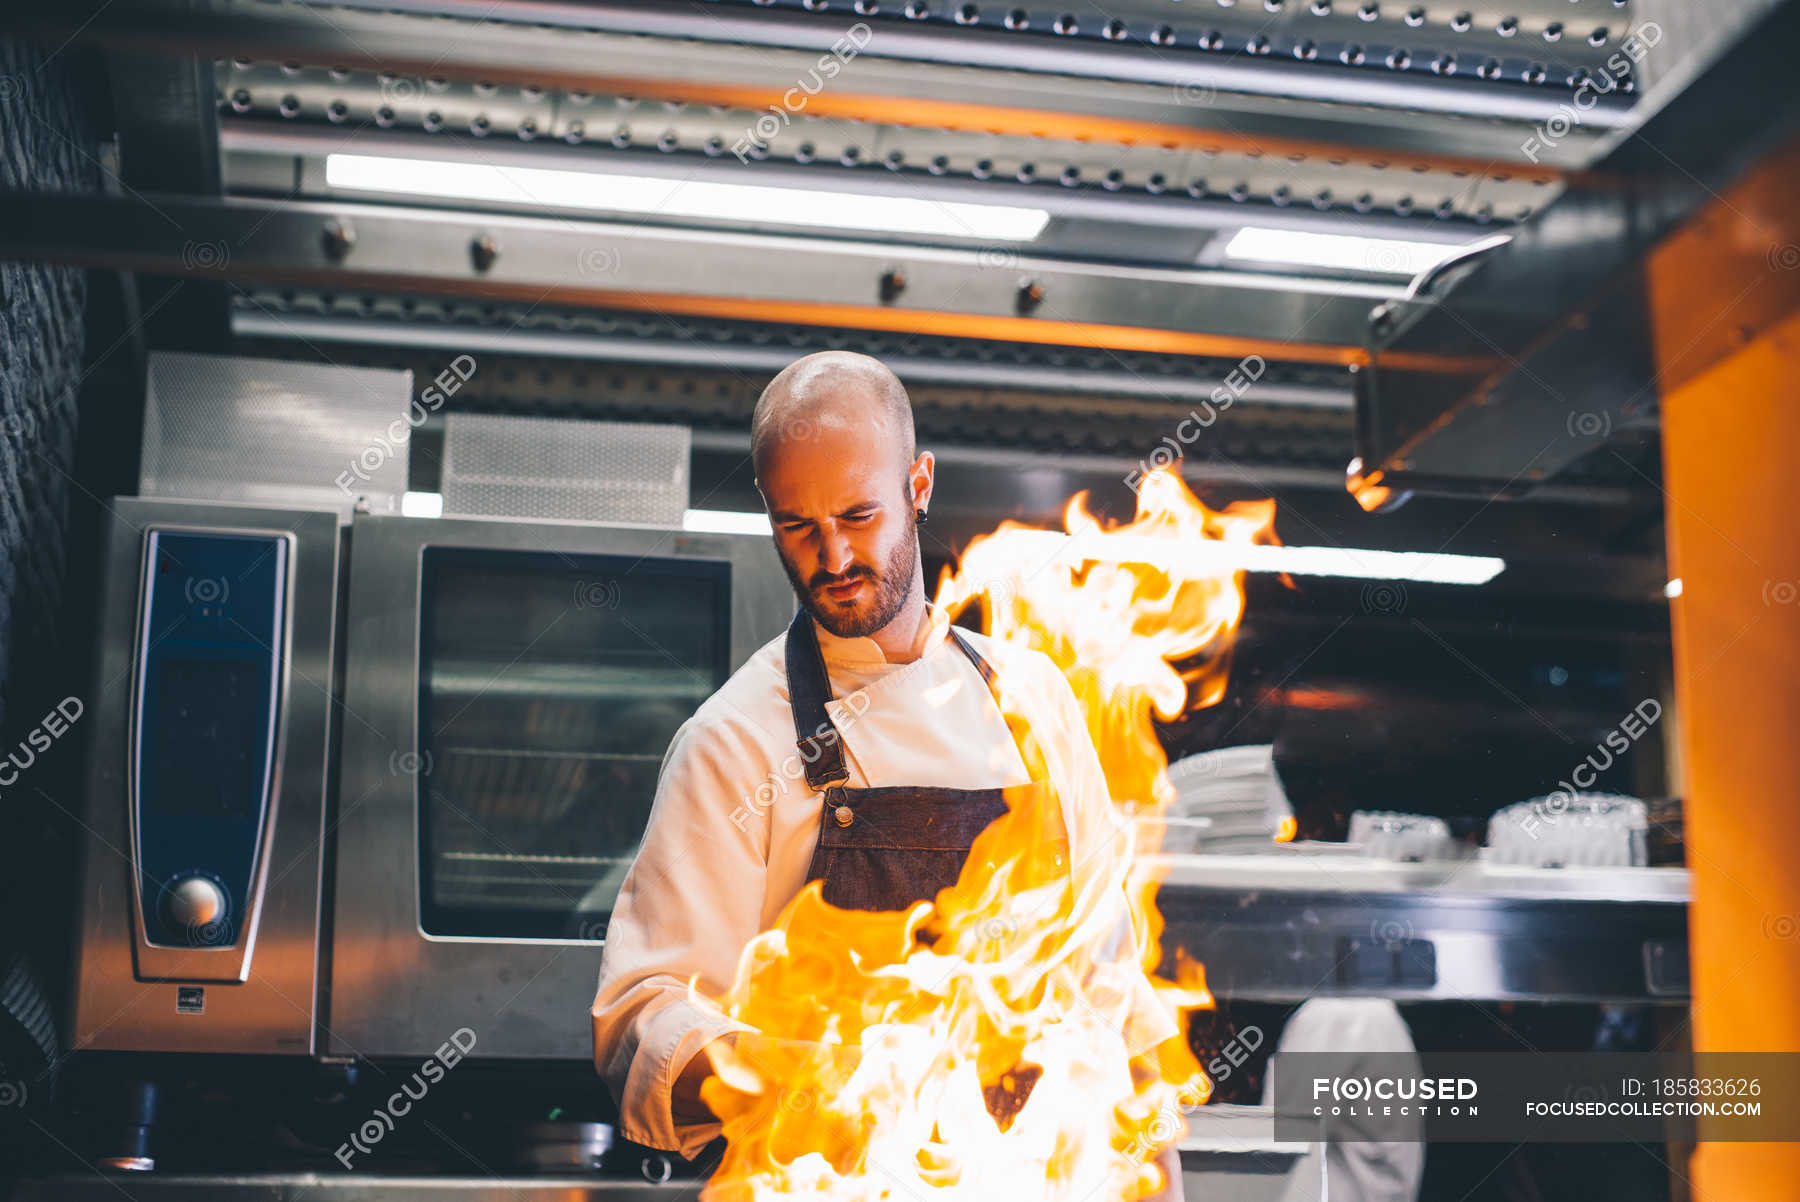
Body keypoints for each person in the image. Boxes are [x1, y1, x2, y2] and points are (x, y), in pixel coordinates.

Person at [589, 350, 1186, 1199]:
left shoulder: (1034, 700)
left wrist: (1162, 1178)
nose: (832, 556)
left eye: (859, 515)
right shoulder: (733, 742)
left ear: (918, 485)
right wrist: (818, 1080)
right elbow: (642, 1021)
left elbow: (1110, 986)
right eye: (797, 526)